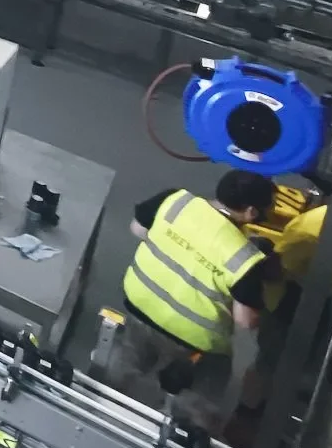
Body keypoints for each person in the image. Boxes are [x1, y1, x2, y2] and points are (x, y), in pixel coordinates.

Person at [97, 169, 280, 430]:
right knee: (208, 381)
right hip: (193, 339)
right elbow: (246, 321)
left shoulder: (175, 201)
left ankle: (107, 401)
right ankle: (186, 426)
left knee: (128, 357)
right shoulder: (243, 258)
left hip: (141, 305)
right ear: (251, 212)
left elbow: (137, 229)